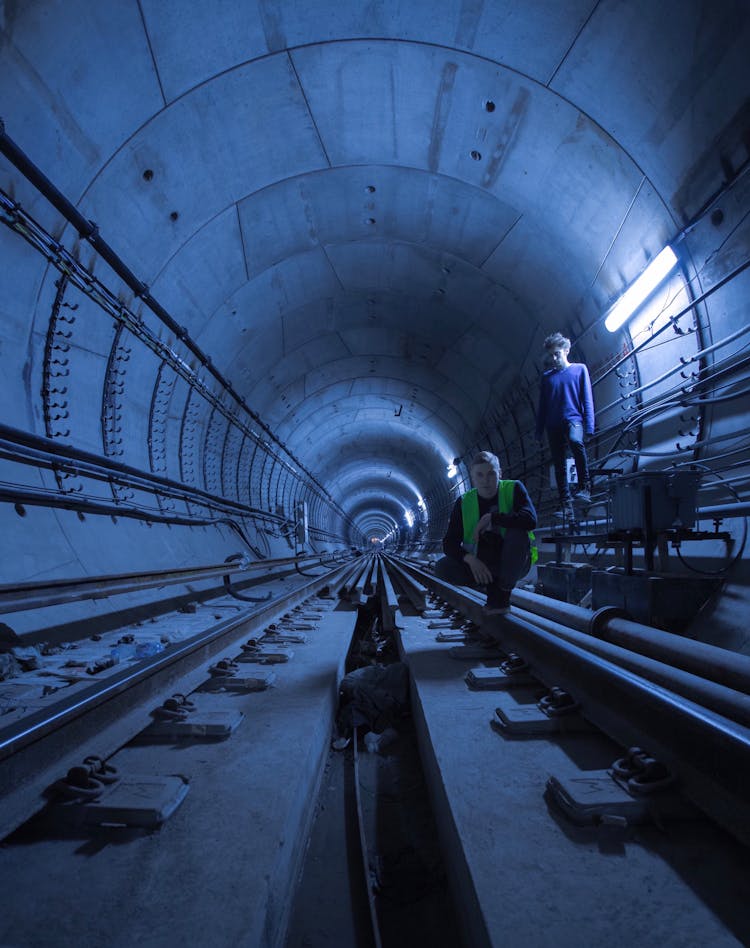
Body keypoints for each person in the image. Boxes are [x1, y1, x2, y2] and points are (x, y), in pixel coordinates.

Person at [435, 451, 537, 615]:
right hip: (480, 561)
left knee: (519, 531)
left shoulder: (513, 488)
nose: (485, 480)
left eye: (491, 474)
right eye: (480, 475)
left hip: (512, 562)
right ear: (472, 477)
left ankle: (502, 593)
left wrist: (493, 518)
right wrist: (470, 560)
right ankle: (485, 583)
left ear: (500, 473)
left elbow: (530, 520)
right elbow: (449, 543)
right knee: (442, 567)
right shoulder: (464, 502)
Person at [535, 332, 595, 519]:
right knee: (559, 464)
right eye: (551, 355)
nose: (554, 358)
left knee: (575, 441)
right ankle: (566, 505)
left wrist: (590, 425)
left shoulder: (579, 370)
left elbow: (587, 399)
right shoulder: (547, 378)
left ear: (566, 351)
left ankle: (585, 487)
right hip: (553, 425)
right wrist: (538, 430)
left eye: (557, 354)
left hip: (573, 419)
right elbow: (542, 405)